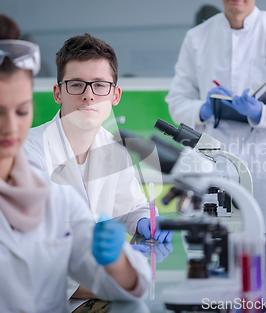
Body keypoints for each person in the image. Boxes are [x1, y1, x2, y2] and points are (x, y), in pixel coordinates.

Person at [0, 14, 149, 313]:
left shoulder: (56, 198)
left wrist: (117, 260)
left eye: (22, 111)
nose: (11, 128)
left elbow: (132, 283)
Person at [22, 33, 172, 308]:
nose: (89, 95)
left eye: (100, 85)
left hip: (95, 290)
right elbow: (30, 255)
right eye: (77, 84)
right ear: (58, 93)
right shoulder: (29, 154)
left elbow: (130, 206)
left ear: (115, 95)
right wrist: (112, 284)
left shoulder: (114, 149)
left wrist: (143, 220)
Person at [165, 0, 266, 233]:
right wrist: (203, 110)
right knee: (214, 245)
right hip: (213, 160)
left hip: (264, 160)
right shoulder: (197, 38)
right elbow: (177, 100)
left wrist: (262, 113)